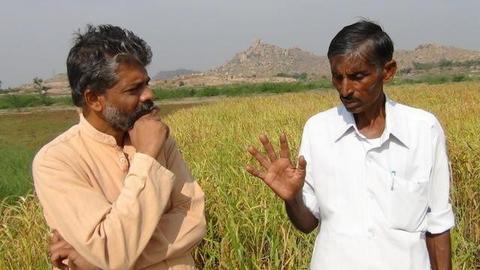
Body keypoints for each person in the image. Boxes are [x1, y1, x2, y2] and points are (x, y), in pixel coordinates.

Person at [246, 20, 454, 270]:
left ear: (387, 71)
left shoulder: (423, 129)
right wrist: (292, 199)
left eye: (357, 77)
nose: (345, 90)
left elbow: (438, 224)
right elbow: (307, 223)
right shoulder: (318, 130)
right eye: (337, 77)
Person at [32, 25, 206, 270]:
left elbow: (195, 218)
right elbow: (109, 252)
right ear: (94, 99)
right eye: (133, 89)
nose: (148, 94)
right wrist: (146, 157)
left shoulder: (159, 137)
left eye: (146, 83)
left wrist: (100, 260)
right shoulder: (56, 160)